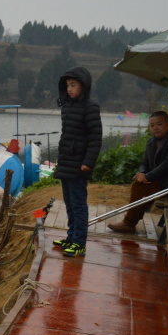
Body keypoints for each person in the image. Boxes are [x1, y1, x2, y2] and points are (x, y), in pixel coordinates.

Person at [106, 111, 168, 234]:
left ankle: (129, 223)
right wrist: (143, 173)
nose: (155, 128)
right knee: (140, 183)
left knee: (139, 187)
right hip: (162, 180)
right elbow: (145, 161)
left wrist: (147, 177)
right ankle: (130, 221)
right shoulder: (152, 141)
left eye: (159, 124)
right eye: (152, 125)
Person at [52, 67, 102, 258]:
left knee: (79, 204)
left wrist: (88, 162)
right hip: (66, 162)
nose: (70, 89)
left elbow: (96, 137)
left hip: (80, 164)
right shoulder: (67, 106)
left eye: (73, 85)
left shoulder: (90, 107)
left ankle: (79, 243)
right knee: (70, 203)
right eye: (67, 85)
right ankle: (71, 237)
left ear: (84, 85)